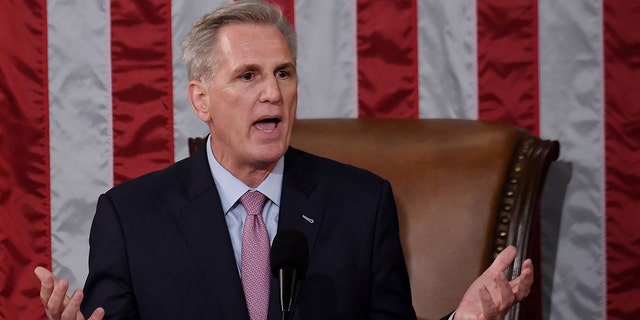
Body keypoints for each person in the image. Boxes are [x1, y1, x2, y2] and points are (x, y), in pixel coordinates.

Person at [34, 0, 533, 319]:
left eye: (284, 73)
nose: (272, 92)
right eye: (248, 75)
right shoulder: (132, 217)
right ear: (201, 99)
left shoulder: (362, 203)